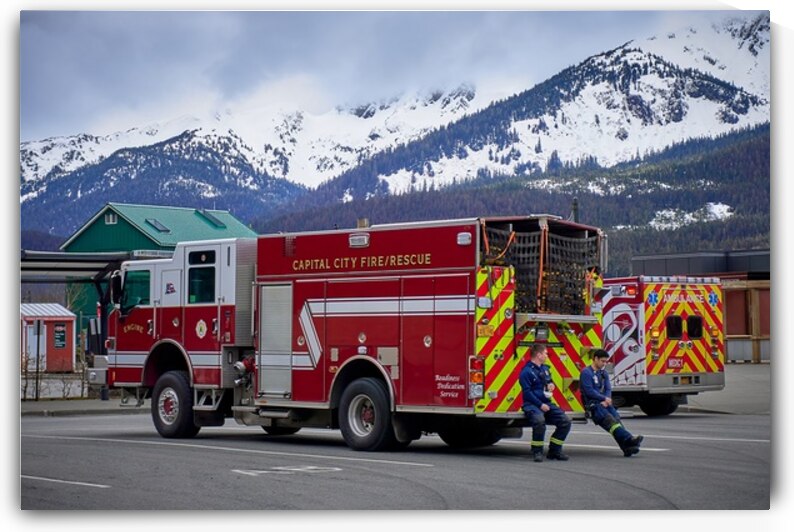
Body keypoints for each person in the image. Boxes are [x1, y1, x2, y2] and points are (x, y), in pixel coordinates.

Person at [580, 349, 643, 457]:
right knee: (610, 422)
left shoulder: (603, 373)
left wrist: (607, 399)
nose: (604, 364)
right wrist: (603, 398)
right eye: (602, 361)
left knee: (616, 420)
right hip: (593, 404)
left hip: (605, 402)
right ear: (595, 359)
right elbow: (589, 391)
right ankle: (629, 439)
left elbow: (608, 388)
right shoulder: (586, 372)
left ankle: (627, 448)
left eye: (606, 362)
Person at [519, 343, 572, 462]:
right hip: (532, 405)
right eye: (545, 353)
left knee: (565, 421)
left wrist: (551, 385)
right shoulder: (526, 372)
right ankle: (537, 451)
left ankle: (555, 450)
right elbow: (527, 393)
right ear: (539, 355)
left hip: (546, 403)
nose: (547, 356)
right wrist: (540, 405)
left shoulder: (545, 369)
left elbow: (549, 381)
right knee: (539, 421)